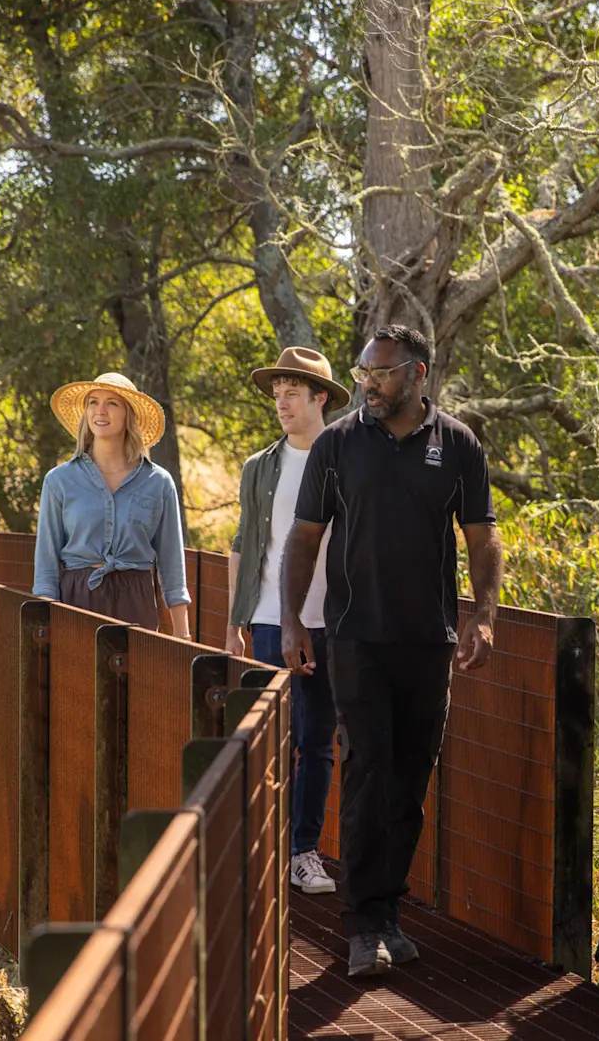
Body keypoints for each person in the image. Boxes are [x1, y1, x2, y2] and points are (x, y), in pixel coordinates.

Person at [280, 325, 503, 978]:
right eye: (363, 372)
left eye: (381, 372)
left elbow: (483, 537)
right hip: (355, 636)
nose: (368, 383)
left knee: (409, 778)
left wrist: (484, 617)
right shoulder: (338, 443)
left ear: (417, 373)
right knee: (368, 767)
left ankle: (387, 913)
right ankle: (362, 924)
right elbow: (304, 536)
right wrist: (292, 621)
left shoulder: (457, 444)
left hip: (429, 639)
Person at [225, 346, 348, 896]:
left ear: (320, 398)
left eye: (292, 393)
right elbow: (243, 544)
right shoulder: (259, 466)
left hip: (332, 620)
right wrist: (234, 621)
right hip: (271, 619)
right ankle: (261, 850)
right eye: (277, 394)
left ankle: (303, 853)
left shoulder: (347, 460)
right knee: (269, 739)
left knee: (317, 740)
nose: (281, 403)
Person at [33, 371, 191, 635]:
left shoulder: (159, 482)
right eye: (93, 402)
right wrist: (44, 625)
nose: (100, 411)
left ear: (129, 414)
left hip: (136, 602)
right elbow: (46, 567)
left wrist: (182, 634)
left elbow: (172, 563)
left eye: (112, 403)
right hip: (76, 602)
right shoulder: (59, 480)